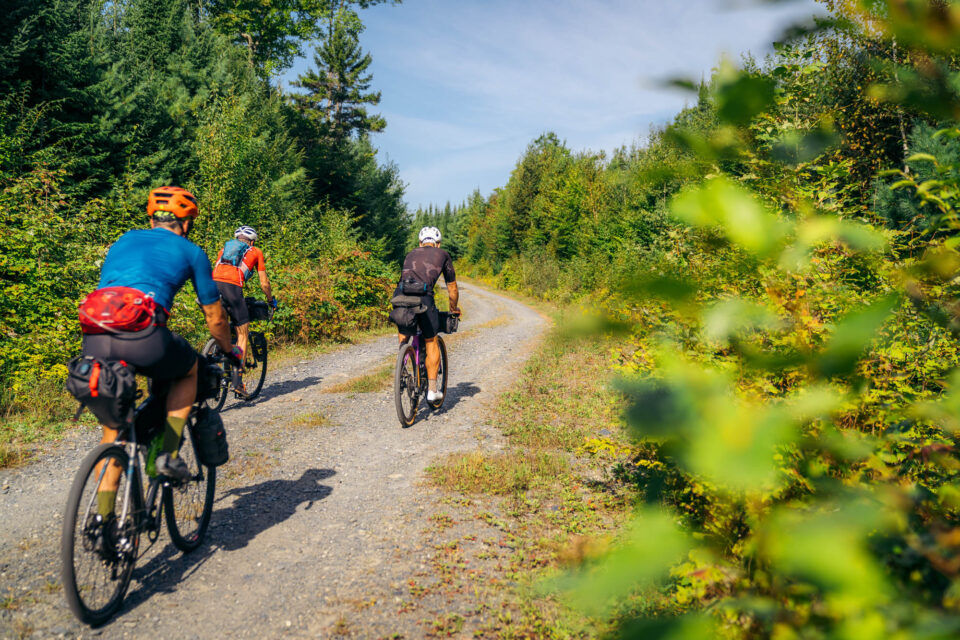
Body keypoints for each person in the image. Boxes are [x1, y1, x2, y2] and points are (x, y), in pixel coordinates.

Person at [80, 186, 240, 518]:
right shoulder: (191, 251)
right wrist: (231, 349)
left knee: (114, 433)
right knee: (189, 369)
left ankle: (104, 522)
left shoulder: (123, 240)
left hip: (95, 335)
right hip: (144, 335)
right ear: (186, 222)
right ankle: (167, 452)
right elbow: (215, 317)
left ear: (152, 217)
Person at [396, 226, 460, 401]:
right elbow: (452, 288)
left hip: (401, 295)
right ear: (437, 244)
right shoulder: (443, 255)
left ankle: (401, 363)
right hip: (424, 297)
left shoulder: (410, 253)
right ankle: (432, 390)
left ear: (420, 243)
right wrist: (454, 308)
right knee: (431, 340)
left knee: (404, 327)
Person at [212, 225, 276, 395]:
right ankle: (238, 381)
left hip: (212, 288)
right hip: (232, 289)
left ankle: (216, 352)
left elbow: (218, 273)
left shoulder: (222, 251)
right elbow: (264, 283)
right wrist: (271, 300)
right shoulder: (255, 251)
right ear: (252, 241)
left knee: (222, 326)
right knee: (242, 333)